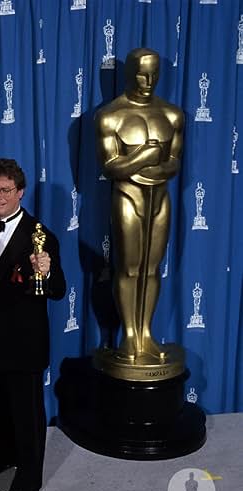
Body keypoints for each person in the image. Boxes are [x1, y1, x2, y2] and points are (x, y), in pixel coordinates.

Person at [0, 158, 66, 491]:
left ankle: (28, 482)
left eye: (5, 191)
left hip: (24, 340)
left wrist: (48, 268)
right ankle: (3, 456)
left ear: (20, 192)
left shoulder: (40, 235)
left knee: (26, 413)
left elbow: (57, 289)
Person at [94, 47, 184, 362]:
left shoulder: (172, 114)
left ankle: (145, 333)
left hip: (160, 197)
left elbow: (173, 163)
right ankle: (129, 336)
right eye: (142, 74)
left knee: (152, 268)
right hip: (127, 197)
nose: (148, 81)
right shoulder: (110, 116)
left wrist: (151, 167)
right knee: (130, 268)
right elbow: (110, 167)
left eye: (154, 74)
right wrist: (145, 157)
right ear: (129, 73)